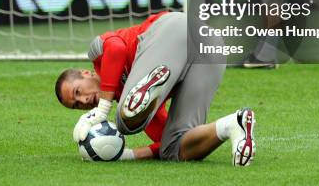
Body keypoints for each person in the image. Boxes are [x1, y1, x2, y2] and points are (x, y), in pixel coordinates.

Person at [55, 11, 256, 165]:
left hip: (176, 29)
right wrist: (124, 155)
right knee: (174, 148)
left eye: (77, 92)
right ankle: (233, 125)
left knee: (124, 121)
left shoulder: (97, 54)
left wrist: (102, 109)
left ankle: (157, 75)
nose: (83, 101)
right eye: (76, 105)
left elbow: (117, 49)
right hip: (211, 51)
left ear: (86, 73)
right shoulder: (139, 108)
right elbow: (160, 144)